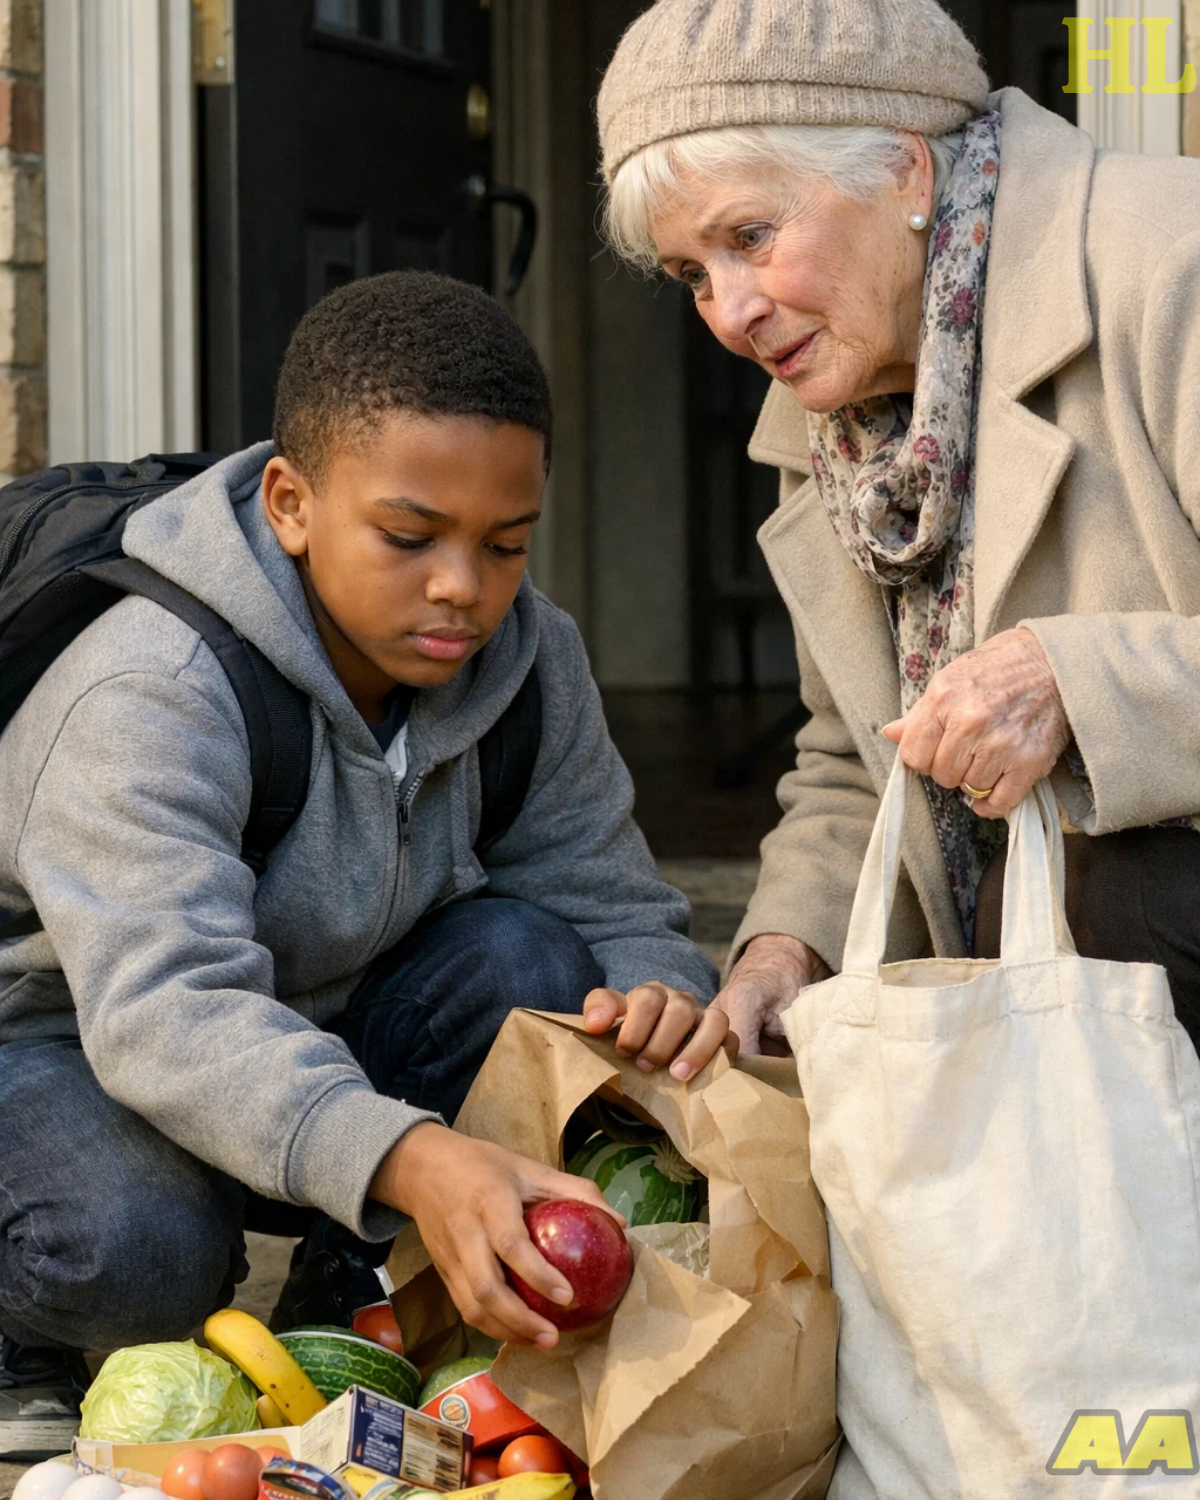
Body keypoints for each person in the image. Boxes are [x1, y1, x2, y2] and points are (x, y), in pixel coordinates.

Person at [0, 271, 724, 1458]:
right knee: (141, 1253)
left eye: (506, 543)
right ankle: (16, 1321)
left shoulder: (528, 659)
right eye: (409, 536)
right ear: (291, 503)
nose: (463, 588)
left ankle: (348, 1297)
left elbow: (608, 897)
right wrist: (410, 1157)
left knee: (533, 959)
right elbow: (166, 1012)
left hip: (312, 1029)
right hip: (64, 1043)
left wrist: (658, 993)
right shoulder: (154, 688)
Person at [597, 0, 1200, 1060]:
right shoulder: (837, 419)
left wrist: (1077, 683)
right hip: (1061, 978)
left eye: (750, 237)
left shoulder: (1169, 263)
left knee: (1104, 891)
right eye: (693, 273)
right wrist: (783, 956)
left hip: (1138, 927)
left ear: (906, 175)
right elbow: (859, 756)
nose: (730, 314)